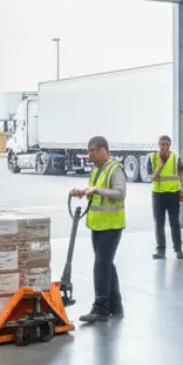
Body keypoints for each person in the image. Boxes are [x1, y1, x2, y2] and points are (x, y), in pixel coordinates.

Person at [70, 136, 125, 323]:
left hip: (111, 226)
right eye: (89, 150)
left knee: (101, 266)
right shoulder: (96, 171)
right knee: (107, 264)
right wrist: (83, 192)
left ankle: (101, 307)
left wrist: (96, 190)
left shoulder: (115, 169)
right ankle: (116, 306)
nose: (90, 154)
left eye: (93, 150)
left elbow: (120, 193)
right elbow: (94, 194)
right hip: (98, 225)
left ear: (104, 150)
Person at [149, 135, 183, 260]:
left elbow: (182, 174)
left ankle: (178, 250)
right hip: (158, 195)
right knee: (159, 223)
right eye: (161, 144)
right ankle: (161, 250)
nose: (164, 147)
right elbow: (151, 177)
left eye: (166, 144)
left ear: (170, 145)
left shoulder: (175, 158)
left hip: (172, 194)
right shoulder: (153, 158)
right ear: (158, 144)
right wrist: (159, 168)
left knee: (175, 223)